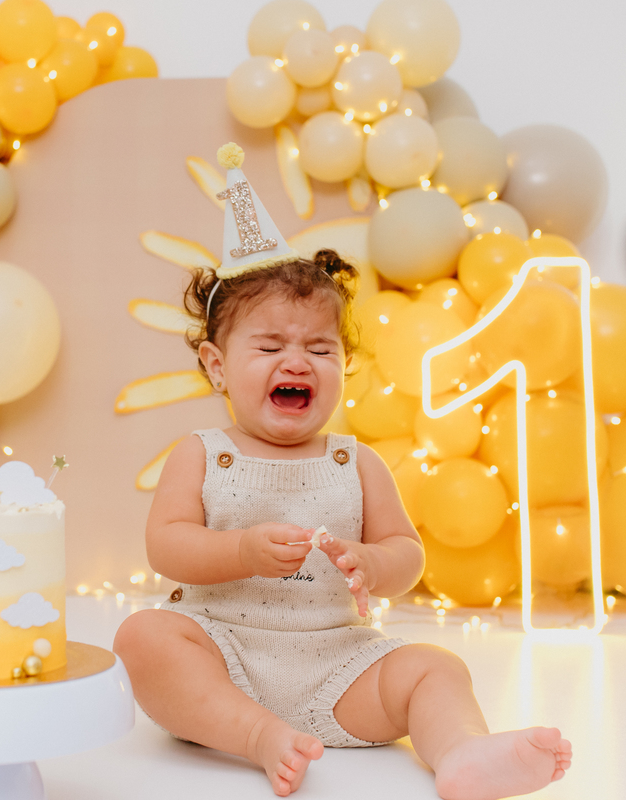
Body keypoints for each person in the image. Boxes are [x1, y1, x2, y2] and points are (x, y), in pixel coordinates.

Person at [113, 144, 572, 800]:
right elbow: (167, 548)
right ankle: (254, 735)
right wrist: (240, 549)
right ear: (217, 367)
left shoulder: (354, 462)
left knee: (433, 667)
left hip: (339, 663)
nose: (297, 362)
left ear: (343, 364)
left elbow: (406, 555)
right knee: (143, 637)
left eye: (320, 348)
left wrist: (374, 564)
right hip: (224, 655)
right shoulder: (203, 453)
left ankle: (463, 755)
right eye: (270, 346)